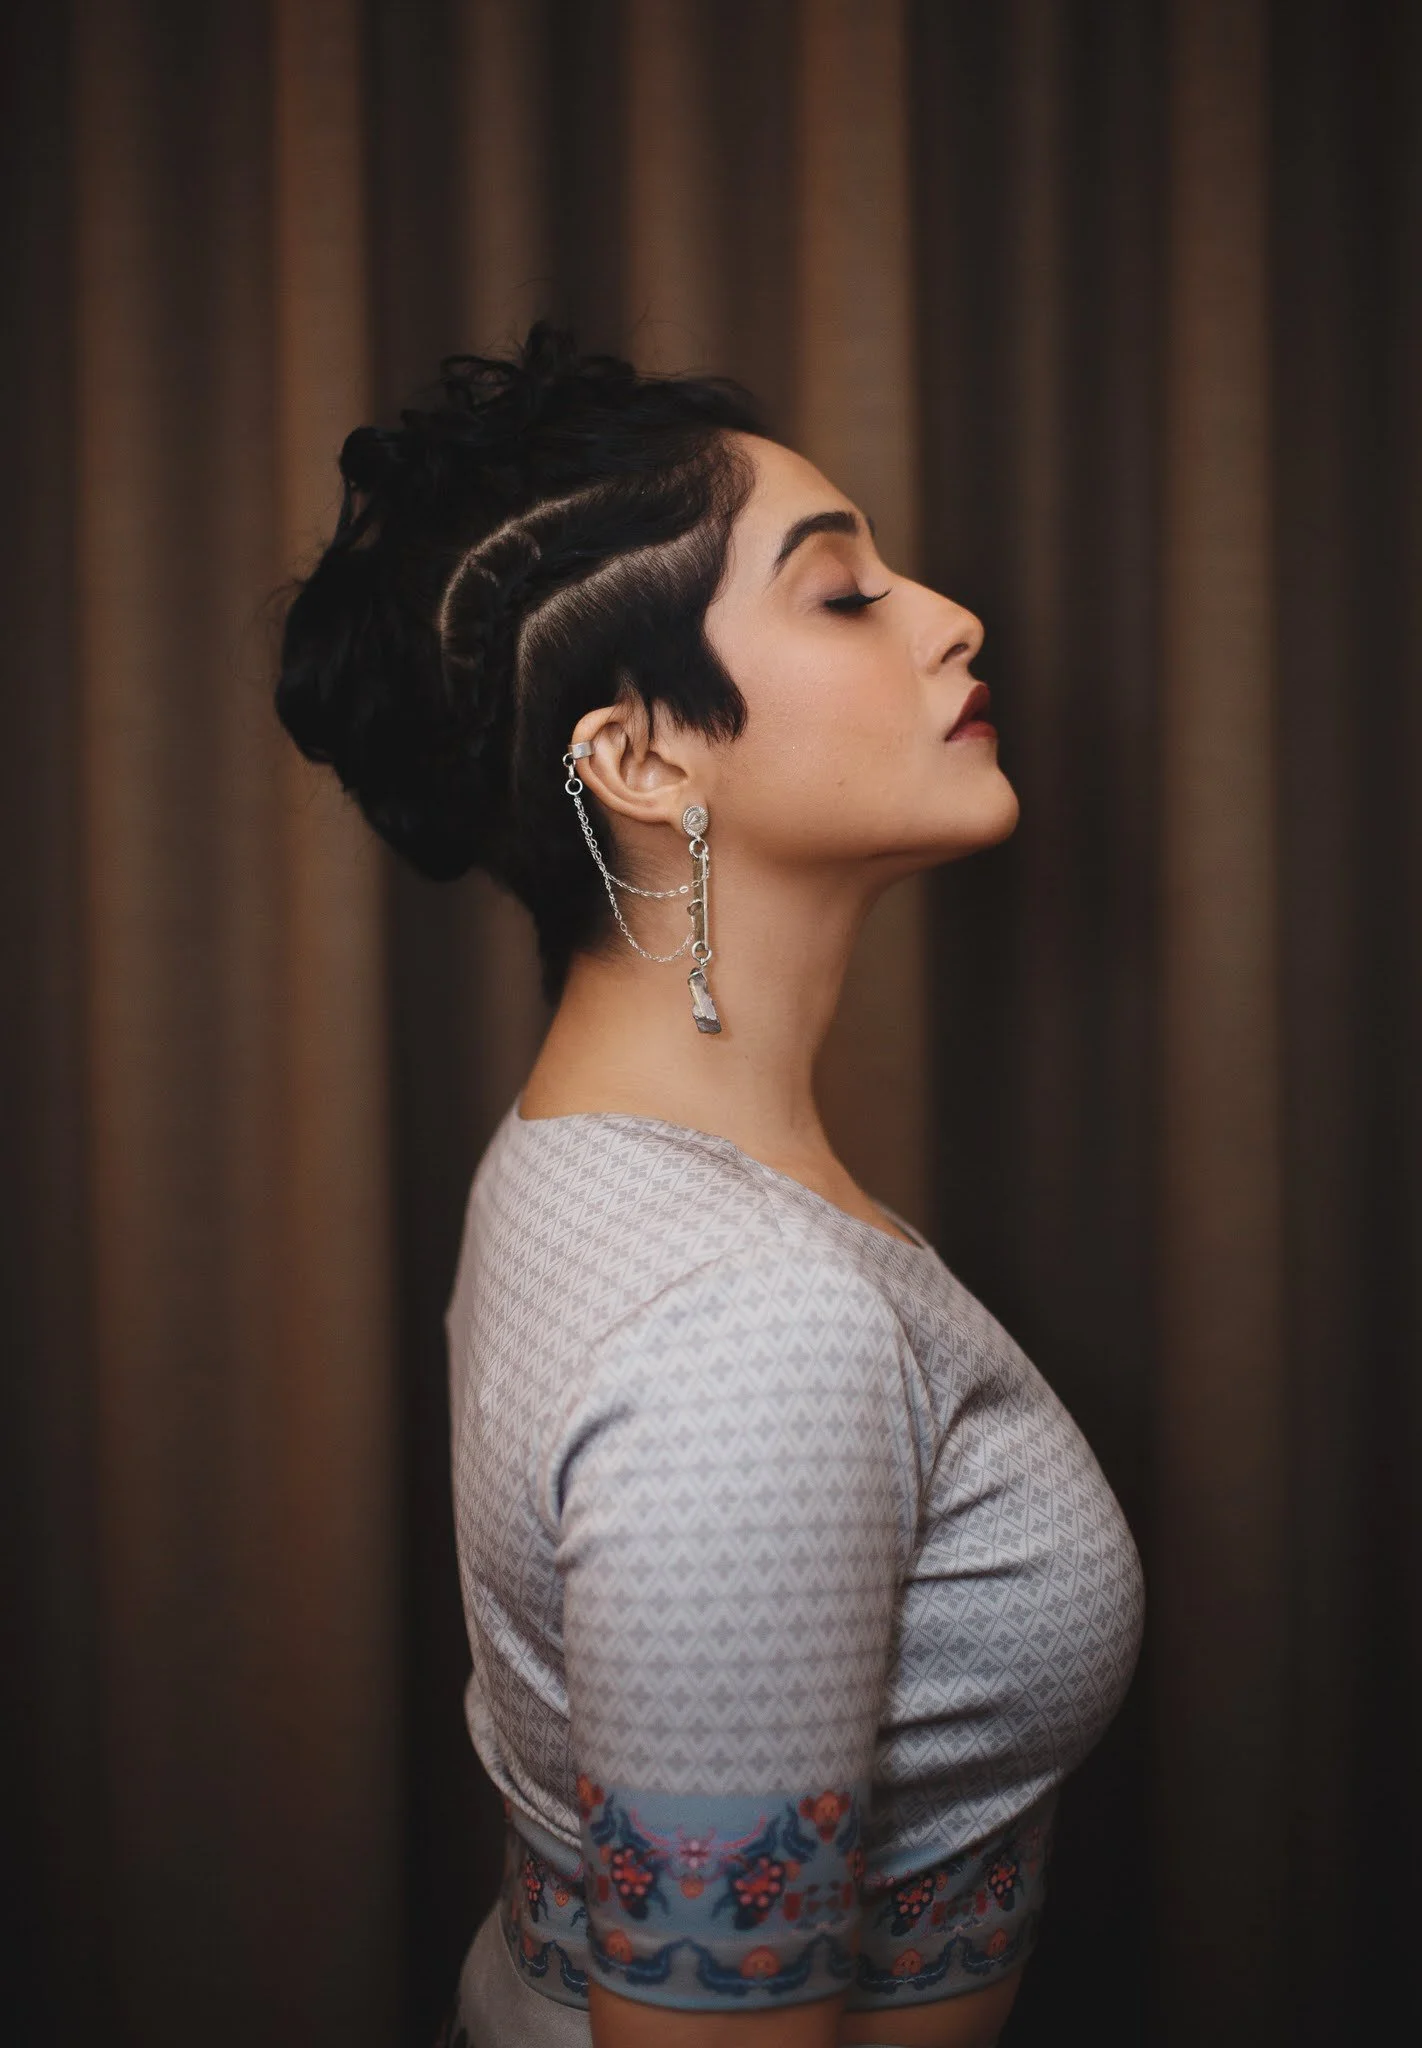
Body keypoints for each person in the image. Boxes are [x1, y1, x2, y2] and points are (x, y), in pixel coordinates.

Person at [275, 322, 1145, 2048]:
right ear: (644, 760)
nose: (950, 617)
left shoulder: (575, 1150)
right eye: (844, 595)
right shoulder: (744, 1327)